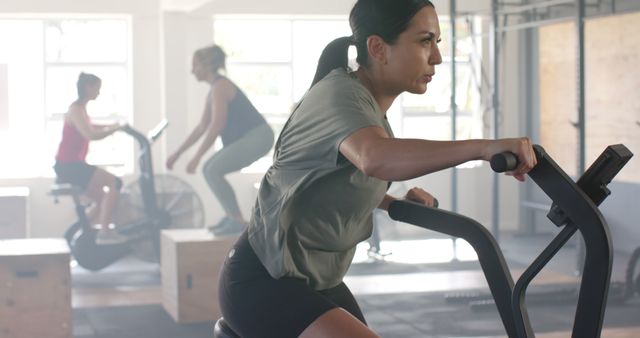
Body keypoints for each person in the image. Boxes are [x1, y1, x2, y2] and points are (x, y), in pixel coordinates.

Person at [218, 1, 537, 337]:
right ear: (378, 48)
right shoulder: (339, 95)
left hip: (316, 278)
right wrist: (483, 147)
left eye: (437, 42)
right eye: (424, 41)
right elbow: (374, 158)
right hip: (265, 280)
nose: (437, 58)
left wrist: (389, 198)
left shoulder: (368, 110)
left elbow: (337, 176)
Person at [166, 45, 275, 235]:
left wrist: (196, 157)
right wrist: (177, 154)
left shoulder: (220, 87)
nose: (192, 71)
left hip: (259, 136)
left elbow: (217, 125)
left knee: (212, 169)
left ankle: (237, 221)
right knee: (210, 170)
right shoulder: (213, 90)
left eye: (195, 65)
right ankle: (232, 218)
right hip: (254, 136)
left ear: (206, 65)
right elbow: (202, 127)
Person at [54, 72, 126, 245]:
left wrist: (113, 125)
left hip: (71, 165)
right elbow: (91, 134)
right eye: (97, 89)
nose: (99, 93)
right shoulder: (75, 109)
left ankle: (78, 236)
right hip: (69, 166)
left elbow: (90, 126)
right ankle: (105, 232)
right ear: (88, 88)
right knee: (116, 183)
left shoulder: (80, 109)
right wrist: (114, 130)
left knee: (101, 199)